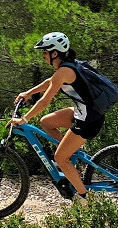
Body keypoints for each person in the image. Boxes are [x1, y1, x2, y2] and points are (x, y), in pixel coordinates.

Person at [11, 32, 104, 204]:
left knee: (60, 158)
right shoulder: (67, 67)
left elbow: (45, 101)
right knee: (46, 122)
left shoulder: (64, 71)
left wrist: (24, 119)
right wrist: (28, 93)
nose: (43, 55)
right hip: (84, 112)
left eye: (45, 52)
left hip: (88, 120)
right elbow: (51, 82)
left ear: (55, 53)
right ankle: (71, 157)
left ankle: (85, 199)